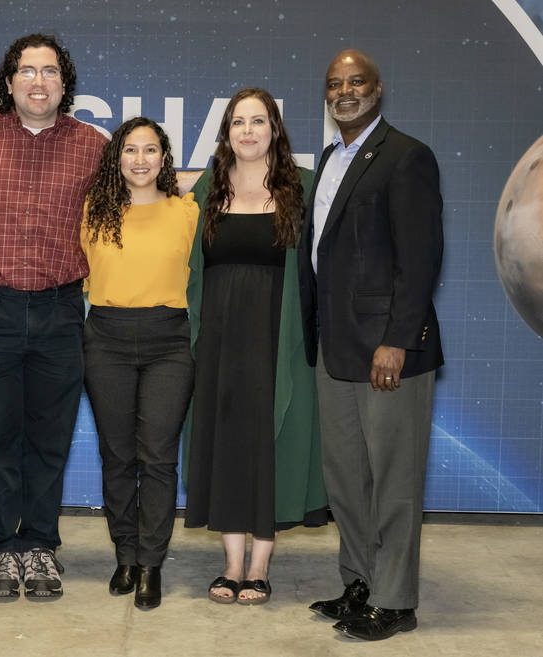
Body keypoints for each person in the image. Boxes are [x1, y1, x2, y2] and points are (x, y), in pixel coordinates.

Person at [0, 34, 108, 601]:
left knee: (49, 437)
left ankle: (40, 543)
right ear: (9, 82)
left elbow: (153, 187)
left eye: (49, 71)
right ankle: (1, 548)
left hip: (60, 310)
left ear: (64, 83)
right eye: (26, 71)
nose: (37, 81)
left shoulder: (94, 145)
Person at [297, 49, 443, 641]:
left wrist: (398, 342)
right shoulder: (331, 157)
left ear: (377, 90)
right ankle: (359, 580)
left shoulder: (406, 157)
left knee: (394, 480)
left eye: (356, 82)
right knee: (347, 478)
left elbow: (421, 259)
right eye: (334, 84)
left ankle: (396, 599)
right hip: (335, 347)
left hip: (388, 353)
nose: (345, 92)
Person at [183, 87, 327, 606]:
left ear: (275, 130)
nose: (248, 131)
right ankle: (230, 563)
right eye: (238, 121)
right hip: (219, 342)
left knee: (272, 442)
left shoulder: (305, 188)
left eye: (258, 121)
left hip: (279, 339)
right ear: (226, 132)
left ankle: (260, 566)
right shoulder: (206, 190)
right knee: (226, 445)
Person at [80, 117, 198, 610]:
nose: (141, 159)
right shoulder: (93, 211)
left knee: (158, 458)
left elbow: (231, 174)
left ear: (165, 159)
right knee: (117, 456)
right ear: (117, 158)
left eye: (151, 150)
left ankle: (151, 562)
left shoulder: (186, 211)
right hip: (105, 338)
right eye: (131, 150)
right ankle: (125, 554)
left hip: (168, 342)